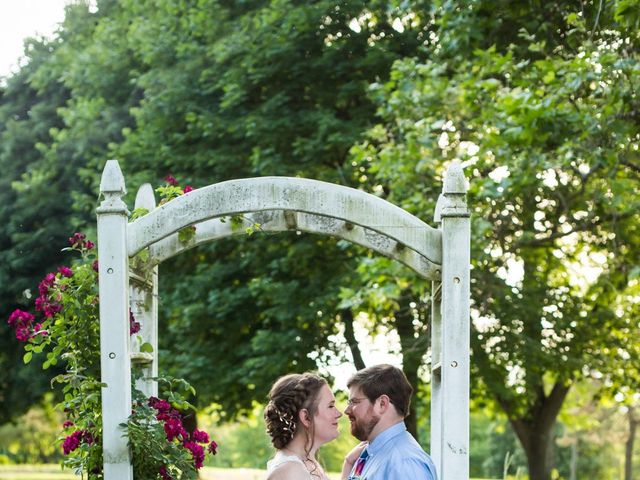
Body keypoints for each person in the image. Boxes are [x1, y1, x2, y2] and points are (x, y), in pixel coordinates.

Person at [341, 364, 437, 480]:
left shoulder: (404, 463)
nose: (346, 410)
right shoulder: (369, 453)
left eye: (354, 402)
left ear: (382, 404)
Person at [265, 373, 342, 479]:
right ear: (306, 417)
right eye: (330, 406)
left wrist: (349, 464)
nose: (339, 414)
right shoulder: (291, 471)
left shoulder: (306, 463)